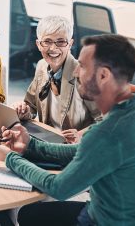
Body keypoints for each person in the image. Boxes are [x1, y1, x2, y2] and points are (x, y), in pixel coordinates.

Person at [0, 34, 135, 225]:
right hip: (128, 214)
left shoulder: (108, 132)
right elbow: (81, 150)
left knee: (26, 214)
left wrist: (10, 158)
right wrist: (30, 145)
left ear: (103, 75)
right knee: (31, 213)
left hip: (103, 221)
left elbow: (58, 188)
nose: (76, 72)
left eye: (83, 66)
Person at [12, 15, 101, 143]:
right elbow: (31, 107)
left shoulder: (85, 75)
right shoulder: (42, 66)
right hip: (47, 140)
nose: (53, 48)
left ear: (70, 44)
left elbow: (107, 120)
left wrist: (82, 135)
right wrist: (22, 110)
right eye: (47, 41)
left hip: (75, 148)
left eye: (61, 42)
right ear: (38, 44)